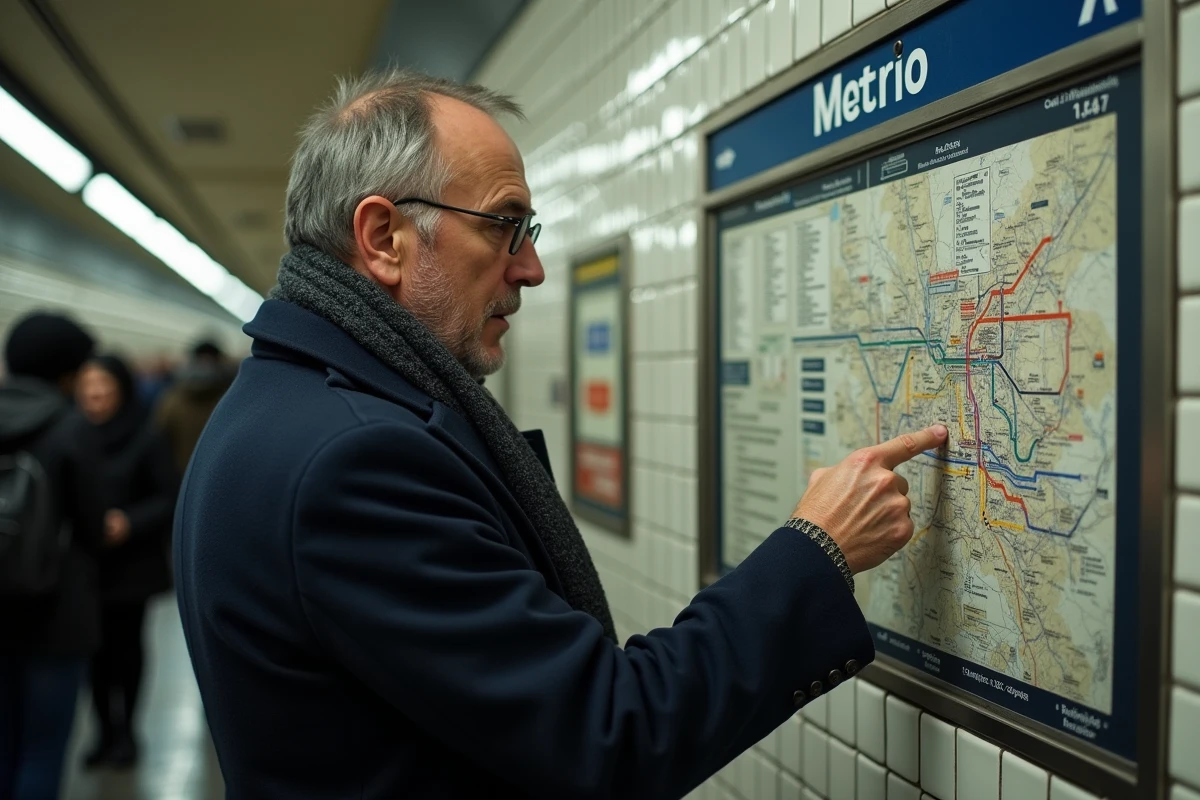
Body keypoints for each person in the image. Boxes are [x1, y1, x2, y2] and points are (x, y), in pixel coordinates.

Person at [174, 69, 949, 799]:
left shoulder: (277, 404)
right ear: (383, 237)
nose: (532, 268)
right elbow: (608, 735)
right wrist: (816, 549)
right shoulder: (352, 463)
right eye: (505, 226)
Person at [0, 312, 105, 800]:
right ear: (66, 372)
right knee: (42, 751)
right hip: (56, 613)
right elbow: (91, 527)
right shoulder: (71, 428)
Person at [76, 355, 177, 769]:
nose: (96, 395)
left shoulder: (145, 436)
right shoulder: (72, 435)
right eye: (88, 387)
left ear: (122, 389)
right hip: (85, 566)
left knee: (127, 649)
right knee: (93, 652)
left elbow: (168, 496)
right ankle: (103, 732)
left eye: (104, 386)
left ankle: (128, 732)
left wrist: (129, 522)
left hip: (131, 566)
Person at [154, 339, 235, 475]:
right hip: (216, 475)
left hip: (179, 474)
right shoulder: (230, 400)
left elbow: (159, 437)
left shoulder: (172, 398)